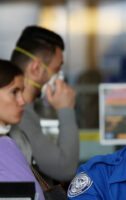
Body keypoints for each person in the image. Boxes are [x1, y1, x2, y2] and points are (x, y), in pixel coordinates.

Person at [9, 25, 78, 183]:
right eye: (57, 69)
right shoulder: (18, 117)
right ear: (36, 69)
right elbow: (65, 168)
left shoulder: (26, 113)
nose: (59, 78)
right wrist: (66, 108)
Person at [0, 59, 47, 200]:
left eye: (22, 92)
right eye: (14, 92)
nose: (22, 101)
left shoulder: (13, 137)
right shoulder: (5, 145)